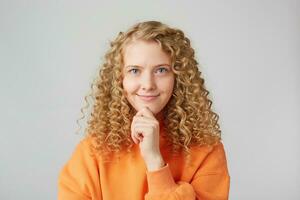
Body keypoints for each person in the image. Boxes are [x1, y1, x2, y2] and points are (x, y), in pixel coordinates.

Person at [58, 20, 230, 200]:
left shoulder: (208, 150)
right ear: (119, 79)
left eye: (161, 70)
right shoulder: (92, 151)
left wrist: (154, 160)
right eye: (134, 71)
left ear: (179, 78)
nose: (148, 85)